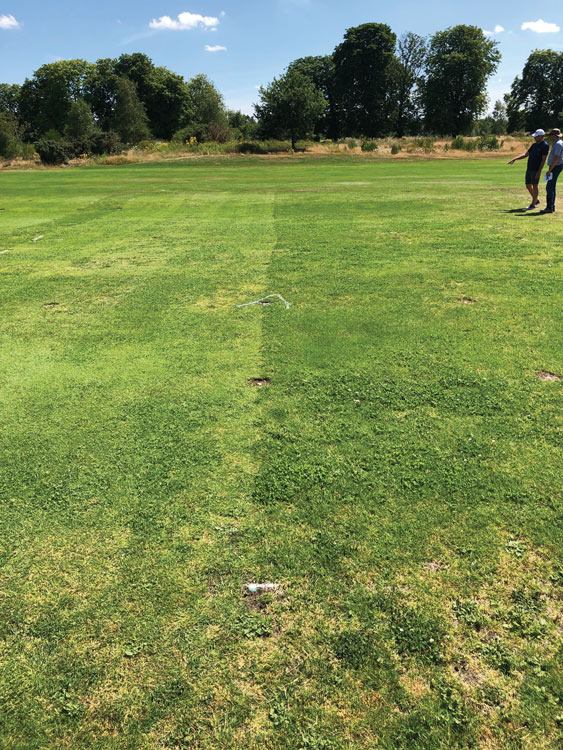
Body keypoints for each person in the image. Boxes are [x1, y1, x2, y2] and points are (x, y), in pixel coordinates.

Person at [508, 129, 549, 209]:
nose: (534, 138)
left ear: (541, 136)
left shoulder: (545, 146)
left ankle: (533, 204)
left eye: (536, 137)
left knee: (535, 185)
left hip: (536, 169)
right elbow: (526, 154)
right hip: (529, 168)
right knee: (528, 185)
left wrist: (539, 171)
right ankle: (536, 200)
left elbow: (544, 159)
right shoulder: (534, 145)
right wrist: (515, 159)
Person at [539, 128, 563, 214]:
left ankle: (549, 207)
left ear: (554, 136)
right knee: (551, 187)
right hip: (555, 166)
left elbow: (556, 159)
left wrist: (550, 170)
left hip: (555, 167)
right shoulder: (556, 143)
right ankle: (551, 207)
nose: (549, 137)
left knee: (549, 187)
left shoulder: (558, 144)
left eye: (550, 135)